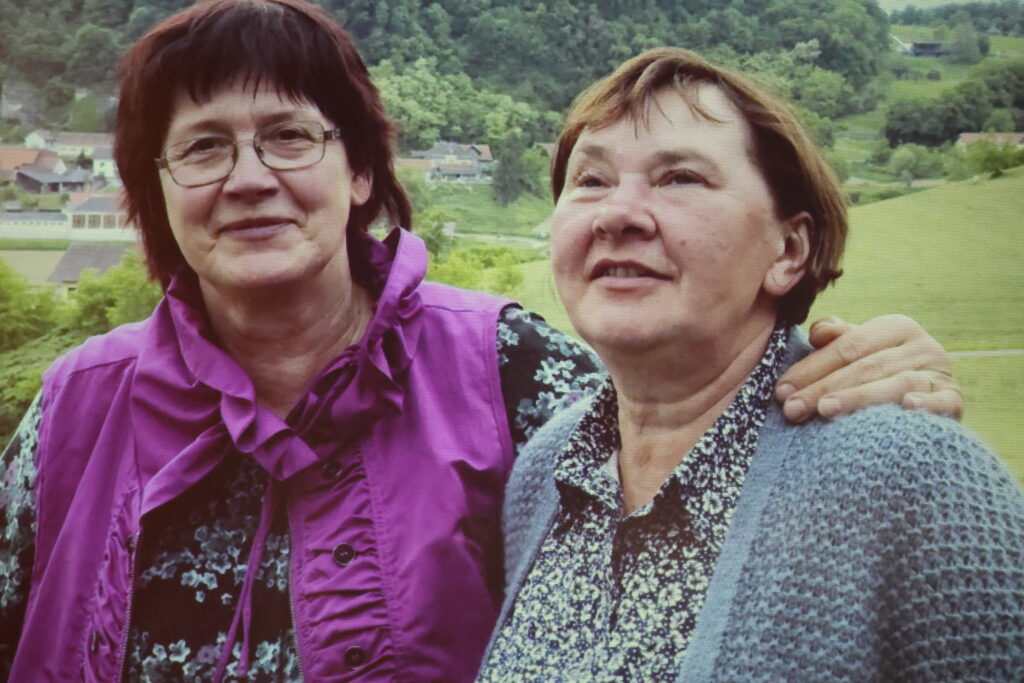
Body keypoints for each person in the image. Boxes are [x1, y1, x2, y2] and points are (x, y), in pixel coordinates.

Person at [0, 3, 963, 681]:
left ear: (361, 173)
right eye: (203, 147)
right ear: (159, 189)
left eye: (290, 136)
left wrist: (862, 374)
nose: (248, 178)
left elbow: (693, 457)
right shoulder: (79, 402)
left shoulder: (505, 367)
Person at [479, 47, 1024, 682]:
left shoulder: (915, 479)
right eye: (591, 180)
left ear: (789, 250)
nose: (617, 214)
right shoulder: (545, 474)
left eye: (681, 178)